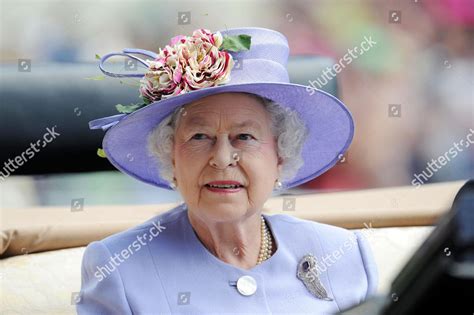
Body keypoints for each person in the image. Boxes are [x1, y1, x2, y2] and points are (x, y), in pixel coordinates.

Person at [78, 27, 377, 314]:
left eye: (244, 137)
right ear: (170, 157)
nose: (221, 159)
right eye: (199, 137)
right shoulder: (119, 270)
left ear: (281, 156)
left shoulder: (345, 253)